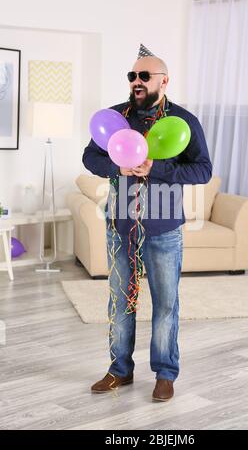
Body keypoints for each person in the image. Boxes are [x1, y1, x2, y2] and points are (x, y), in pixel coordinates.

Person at [82, 44, 212, 402]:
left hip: (164, 229)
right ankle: (119, 371)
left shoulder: (183, 122)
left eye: (144, 76)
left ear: (164, 81)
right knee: (119, 301)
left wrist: (157, 167)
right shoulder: (115, 117)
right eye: (132, 76)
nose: (136, 82)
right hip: (120, 226)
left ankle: (165, 374)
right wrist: (115, 167)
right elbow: (89, 156)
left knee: (166, 304)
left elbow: (203, 170)